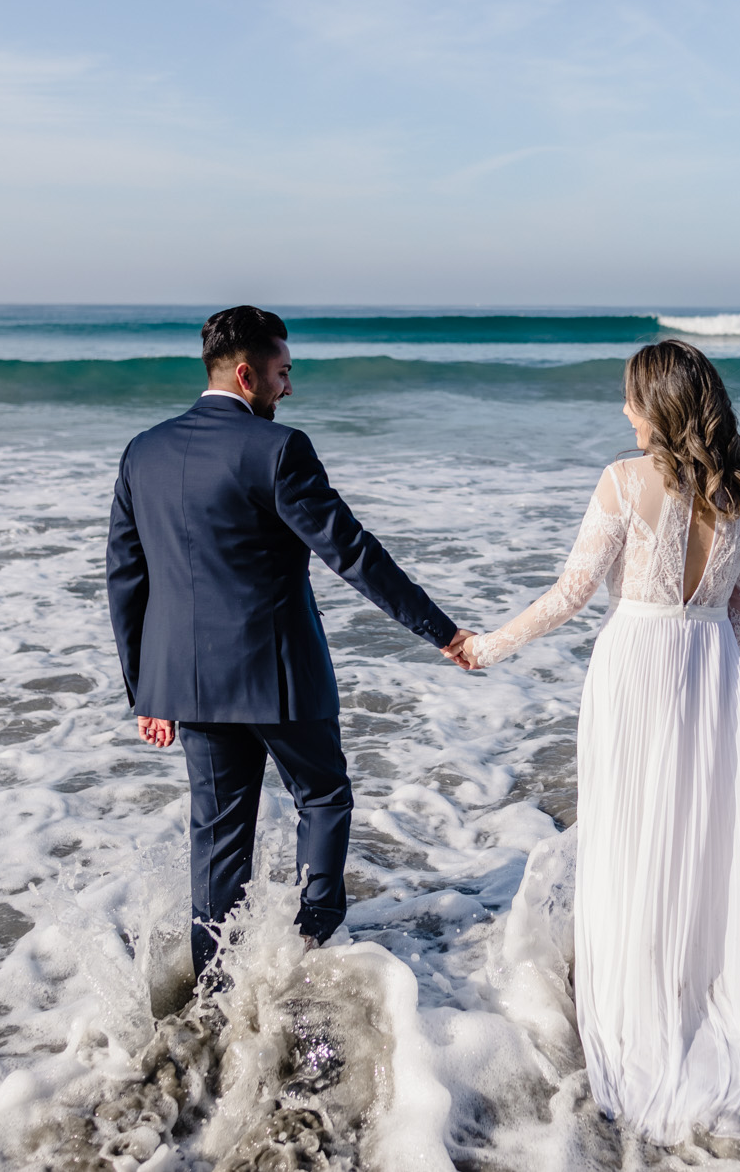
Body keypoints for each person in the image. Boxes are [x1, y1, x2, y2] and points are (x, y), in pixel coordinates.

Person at [461, 339, 740, 1146]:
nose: (624, 411)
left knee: (627, 833)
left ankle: (638, 995)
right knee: (698, 834)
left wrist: (486, 646)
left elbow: (570, 595)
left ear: (658, 407)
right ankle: (698, 980)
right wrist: (711, 680)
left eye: (631, 398)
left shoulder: (623, 480)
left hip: (632, 668)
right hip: (710, 671)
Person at [106, 306, 476, 980]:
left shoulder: (144, 452)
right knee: (325, 797)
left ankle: (214, 996)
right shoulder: (277, 450)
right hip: (280, 677)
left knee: (217, 845)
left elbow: (127, 579)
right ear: (247, 375)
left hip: (190, 686)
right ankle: (306, 948)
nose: (288, 389)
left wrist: (146, 691)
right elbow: (354, 553)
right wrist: (441, 630)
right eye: (282, 374)